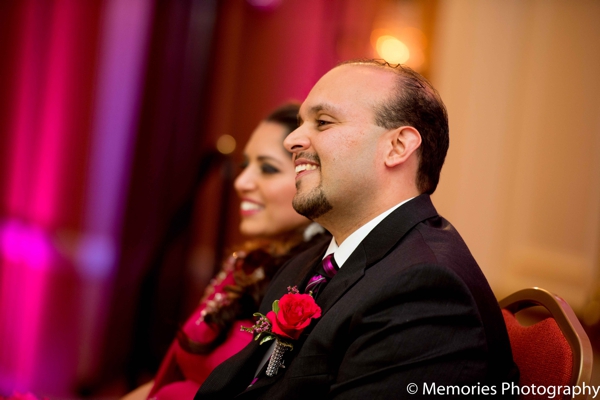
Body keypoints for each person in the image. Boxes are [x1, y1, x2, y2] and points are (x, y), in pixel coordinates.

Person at [195, 60, 518, 399]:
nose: (292, 139)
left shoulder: (427, 291)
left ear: (397, 147)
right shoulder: (311, 262)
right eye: (301, 123)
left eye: (322, 122)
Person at [123, 103, 329, 400]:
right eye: (246, 166)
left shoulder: (315, 284)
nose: (241, 182)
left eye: (268, 168)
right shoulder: (247, 264)